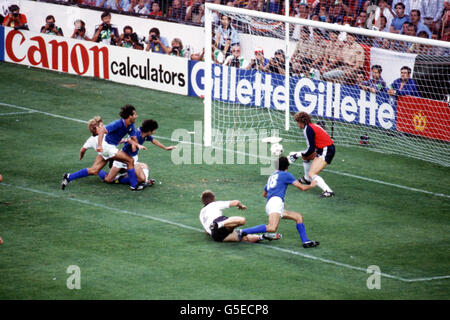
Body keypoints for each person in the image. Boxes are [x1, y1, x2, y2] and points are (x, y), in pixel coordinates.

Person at [237, 156, 319, 248]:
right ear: (287, 166)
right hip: (276, 203)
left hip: (271, 204)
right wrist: (312, 185)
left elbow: (264, 194)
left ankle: (306, 241)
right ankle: (242, 231)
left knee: (298, 217)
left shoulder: (272, 176)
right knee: (272, 228)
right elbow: (302, 187)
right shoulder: (286, 175)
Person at [61, 105, 145, 191]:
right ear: (129, 116)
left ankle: (68, 177)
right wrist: (100, 145)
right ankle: (134, 185)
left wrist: (138, 145)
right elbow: (102, 131)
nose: (136, 116)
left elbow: (134, 139)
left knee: (94, 170)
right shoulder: (118, 123)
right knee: (130, 160)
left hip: (109, 148)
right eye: (135, 114)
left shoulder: (131, 126)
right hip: (107, 147)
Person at [103, 119, 177, 186]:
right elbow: (130, 143)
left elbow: (154, 141)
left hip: (133, 160)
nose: (155, 132)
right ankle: (117, 176)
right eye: (154, 130)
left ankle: (127, 177)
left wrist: (166, 148)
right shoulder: (136, 134)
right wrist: (135, 146)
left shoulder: (145, 135)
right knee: (108, 180)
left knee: (144, 171)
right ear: (149, 130)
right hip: (123, 158)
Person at [200, 190, 282, 243]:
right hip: (218, 222)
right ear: (213, 198)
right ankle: (220, 224)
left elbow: (207, 231)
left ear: (203, 202)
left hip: (216, 236)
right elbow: (236, 202)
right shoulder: (214, 204)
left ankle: (262, 237)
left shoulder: (201, 213)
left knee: (243, 237)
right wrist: (240, 205)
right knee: (242, 220)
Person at [289, 111, 336, 198]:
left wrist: (296, 154)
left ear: (301, 122)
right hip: (325, 148)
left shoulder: (308, 129)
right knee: (305, 156)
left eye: (297, 122)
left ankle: (328, 191)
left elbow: (310, 149)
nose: (297, 125)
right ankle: (307, 180)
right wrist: (299, 154)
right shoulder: (312, 126)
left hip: (326, 150)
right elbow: (311, 149)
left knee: (312, 174)